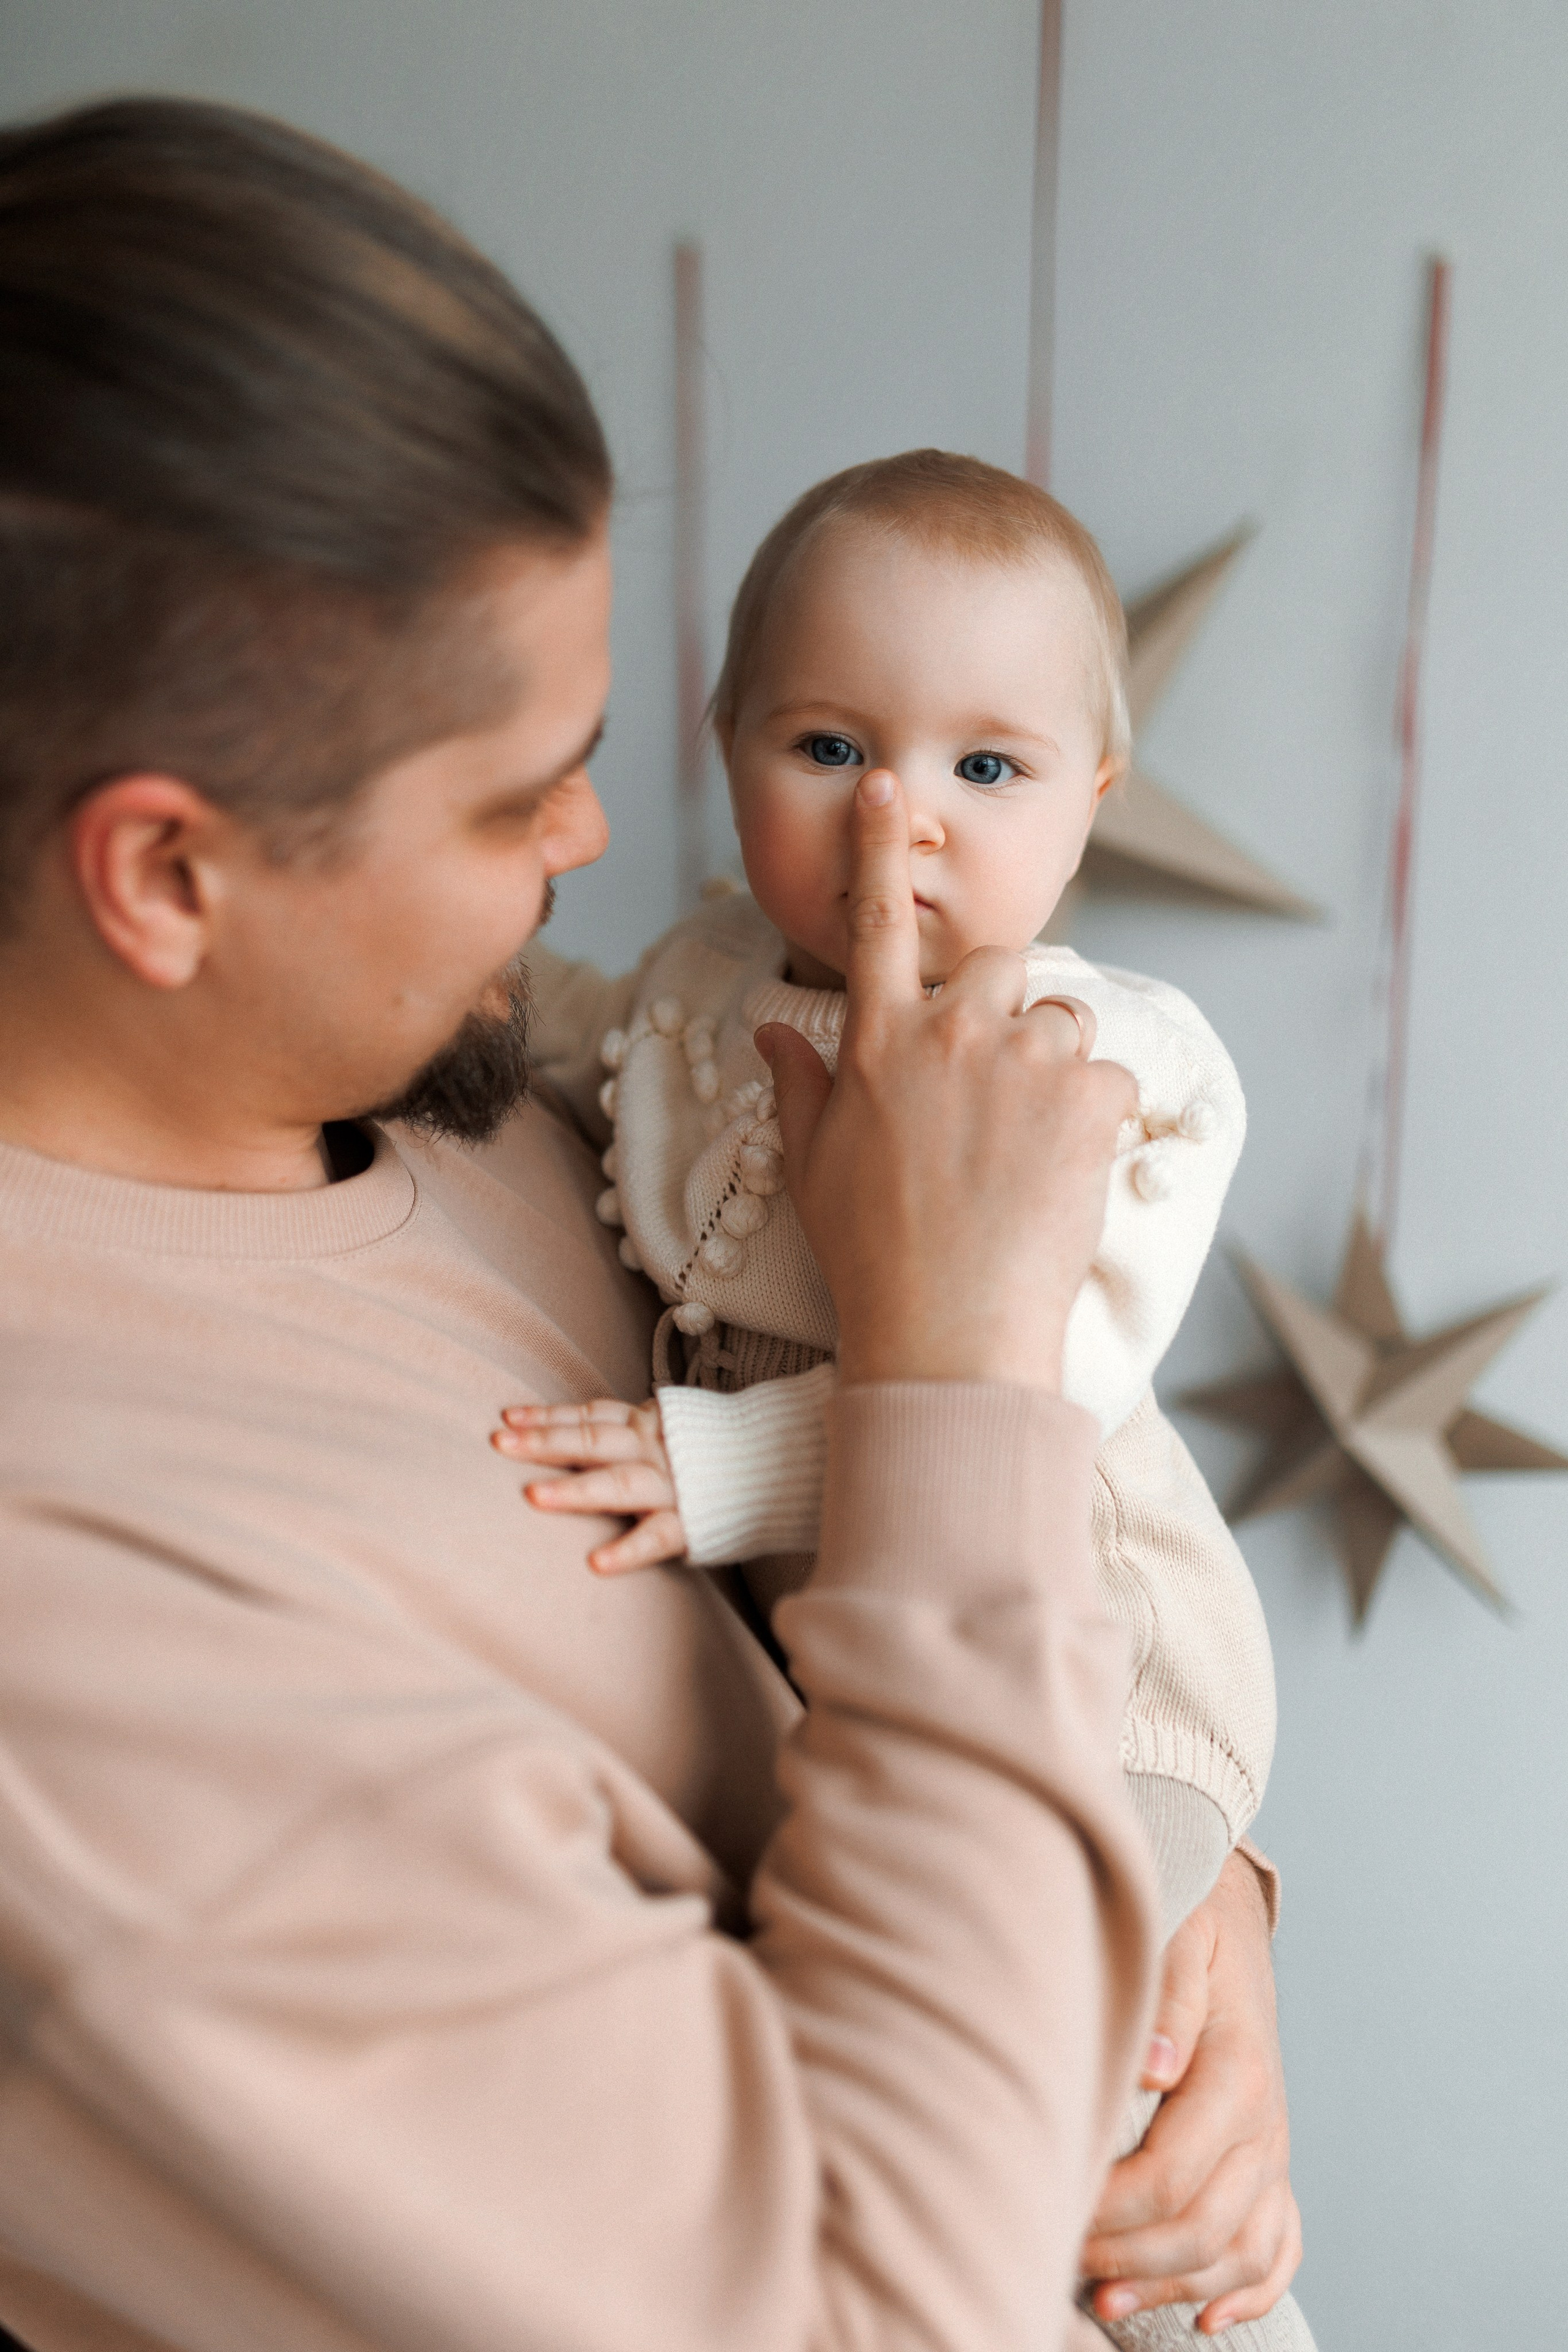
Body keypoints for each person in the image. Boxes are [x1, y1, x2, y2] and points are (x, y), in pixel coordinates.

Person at [0, 96, 1300, 2352]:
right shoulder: (90, 1695)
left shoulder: (473, 1093)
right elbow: (882, 2310)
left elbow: (965, 1619)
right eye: (518, 790)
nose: (603, 833)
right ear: (168, 875)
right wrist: (948, 1371)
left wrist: (1193, 1919)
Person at [494, 453, 1311, 2350]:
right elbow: (555, 1035)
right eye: (833, 748)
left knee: (1083, 2096)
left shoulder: (1101, 1064)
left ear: (1092, 800)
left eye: (987, 770)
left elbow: (1036, 1387)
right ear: (725, 743)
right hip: (878, 1622)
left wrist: (727, 1466)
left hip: (1115, 1653)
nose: (901, 829)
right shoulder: (699, 980)